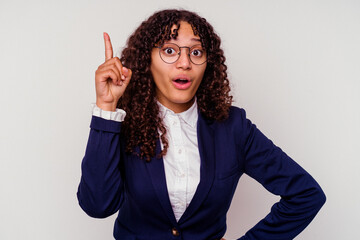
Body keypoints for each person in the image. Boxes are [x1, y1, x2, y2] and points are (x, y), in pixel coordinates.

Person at [77, 9, 326, 240]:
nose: (185, 62)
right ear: (147, 61)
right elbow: (98, 206)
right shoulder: (123, 123)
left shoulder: (233, 127)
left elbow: (306, 194)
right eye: (170, 50)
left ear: (208, 63)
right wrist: (106, 108)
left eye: (195, 52)